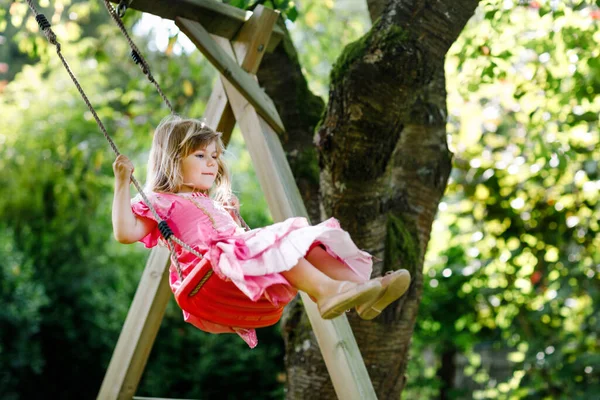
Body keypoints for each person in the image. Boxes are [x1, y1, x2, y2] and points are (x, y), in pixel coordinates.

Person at [112, 115, 410, 347]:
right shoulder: (161, 201)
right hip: (210, 272)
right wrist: (122, 182)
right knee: (275, 243)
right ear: (173, 160)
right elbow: (125, 233)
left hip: (236, 258)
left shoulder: (209, 201)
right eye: (200, 156)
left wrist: (229, 215)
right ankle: (327, 292)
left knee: (302, 243)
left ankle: (362, 291)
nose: (212, 163)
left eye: (214, 156)